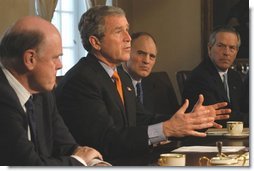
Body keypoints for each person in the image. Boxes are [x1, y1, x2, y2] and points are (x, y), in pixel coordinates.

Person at [55, 6, 230, 164]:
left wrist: (187, 120)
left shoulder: (119, 75)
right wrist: (166, 129)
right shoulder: (81, 80)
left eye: (127, 30)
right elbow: (106, 140)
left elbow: (140, 118)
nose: (128, 38)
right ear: (96, 42)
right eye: (118, 32)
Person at [0, 16, 109, 166]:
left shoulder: (43, 92)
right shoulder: (3, 99)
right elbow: (28, 166)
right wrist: (80, 162)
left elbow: (67, 146)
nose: (60, 65)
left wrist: (95, 164)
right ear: (30, 59)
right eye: (55, 57)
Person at [182, 25, 247, 127]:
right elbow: (220, 116)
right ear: (209, 48)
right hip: (206, 137)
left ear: (236, 52)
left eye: (232, 48)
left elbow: (243, 108)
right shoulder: (199, 77)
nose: (226, 52)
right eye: (221, 46)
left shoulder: (235, 77)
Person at [122, 32, 179, 117]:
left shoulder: (162, 85)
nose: (147, 61)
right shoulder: (113, 81)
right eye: (141, 53)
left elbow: (175, 118)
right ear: (126, 52)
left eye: (152, 56)